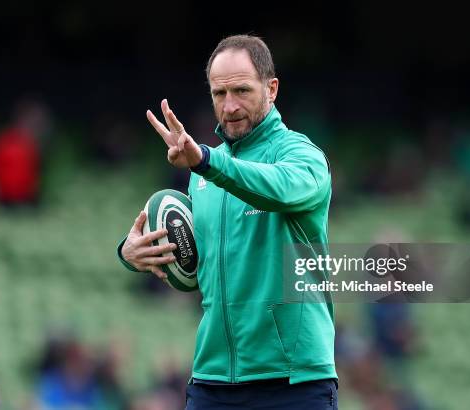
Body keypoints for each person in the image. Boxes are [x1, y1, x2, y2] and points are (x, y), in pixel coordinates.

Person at [118, 35, 338, 409]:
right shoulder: (203, 175)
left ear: (272, 89)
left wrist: (206, 161)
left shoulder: (303, 158)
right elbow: (198, 267)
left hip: (293, 381)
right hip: (213, 380)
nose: (230, 106)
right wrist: (132, 252)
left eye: (241, 90)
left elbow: (277, 189)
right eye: (219, 94)